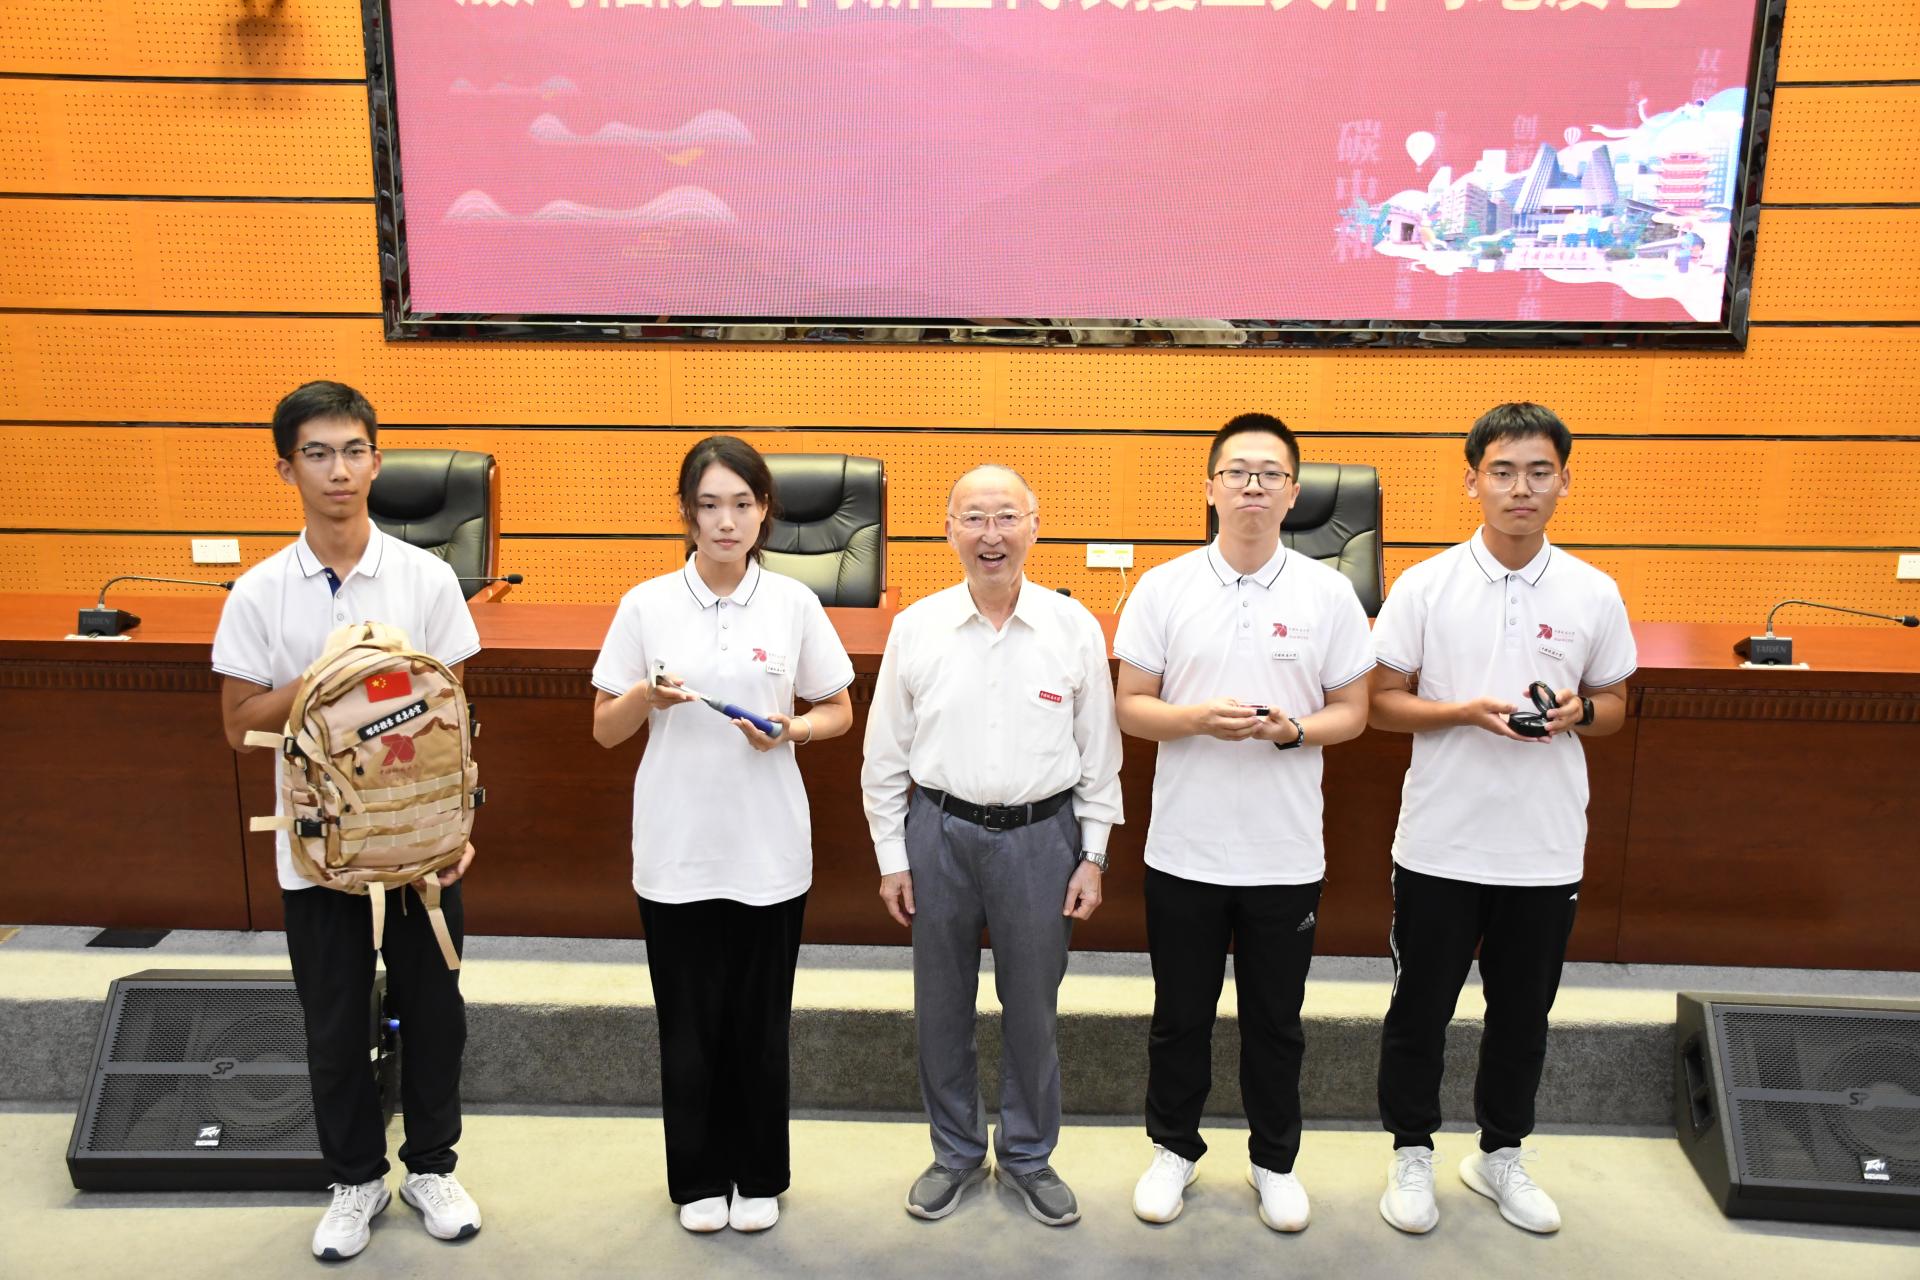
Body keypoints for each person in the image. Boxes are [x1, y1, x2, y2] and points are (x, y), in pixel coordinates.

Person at [213, 381, 483, 1261]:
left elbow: (454, 716)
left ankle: (432, 1168)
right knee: (333, 1027)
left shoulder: (425, 577)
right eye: (318, 454)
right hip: (317, 854)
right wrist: (333, 676)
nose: (339, 470)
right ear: (286, 468)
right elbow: (238, 724)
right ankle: (355, 1179)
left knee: (435, 1017)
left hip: (419, 850)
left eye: (354, 451)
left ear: (377, 460)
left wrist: (459, 828)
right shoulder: (259, 592)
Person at [1368, 402, 1635, 1236]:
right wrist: (1462, 711)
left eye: (1539, 472)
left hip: (1544, 848)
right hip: (1440, 843)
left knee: (1523, 1017)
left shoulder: (1594, 590)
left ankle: (1500, 1153)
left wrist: (1579, 714)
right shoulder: (1426, 585)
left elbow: (1617, 705)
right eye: (1504, 472)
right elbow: (1381, 703)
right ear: (1473, 482)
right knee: (1421, 1010)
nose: (1522, 488)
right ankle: (1412, 1150)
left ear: (1564, 482)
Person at [1114, 413, 1373, 1231]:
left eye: (1270, 473)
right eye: (1237, 472)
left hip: (1284, 853)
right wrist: (1195, 719)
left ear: (1294, 493)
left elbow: (1354, 713)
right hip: (1184, 849)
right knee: (1179, 1016)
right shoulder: (1163, 587)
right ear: (1210, 488)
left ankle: (1274, 1161)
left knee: (1276, 1022)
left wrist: (1293, 731)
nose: (1252, 486)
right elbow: (1130, 707)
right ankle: (1174, 1149)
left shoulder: (1329, 593)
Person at [591, 435, 854, 1235]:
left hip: (768, 847)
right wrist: (646, 696)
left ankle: (759, 1173)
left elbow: (839, 711)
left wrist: (794, 730)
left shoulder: (793, 603)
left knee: (759, 1025)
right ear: (686, 513)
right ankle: (700, 1177)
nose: (726, 521)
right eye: (709, 505)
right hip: (675, 847)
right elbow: (605, 729)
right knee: (688, 1025)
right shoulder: (646, 605)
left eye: (742, 504)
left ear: (765, 511)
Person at [861, 464, 1122, 1227]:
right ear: (949, 531)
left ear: (1034, 526)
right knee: (940, 1006)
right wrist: (892, 856)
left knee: (1032, 1008)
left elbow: (1099, 753)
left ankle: (1030, 1155)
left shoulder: (1073, 627)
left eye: (1007, 517)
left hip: (1043, 839)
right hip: (938, 834)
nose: (991, 535)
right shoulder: (918, 627)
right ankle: (954, 1153)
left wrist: (1094, 854)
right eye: (974, 518)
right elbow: (885, 754)